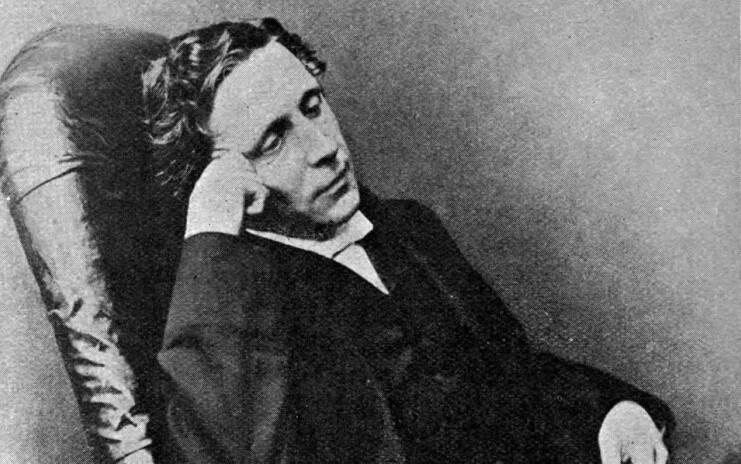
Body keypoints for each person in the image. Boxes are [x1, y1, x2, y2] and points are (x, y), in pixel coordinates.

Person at [143, 18, 674, 464]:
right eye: (274, 139)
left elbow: (513, 377)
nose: (324, 147)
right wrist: (213, 220)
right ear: (222, 178)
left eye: (313, 105)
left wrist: (609, 413)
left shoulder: (406, 228)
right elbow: (230, 448)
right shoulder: (229, 319)